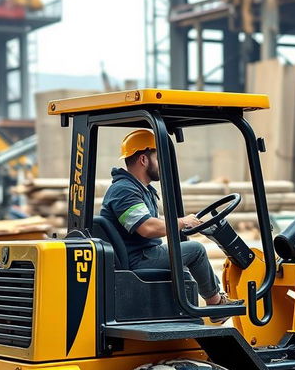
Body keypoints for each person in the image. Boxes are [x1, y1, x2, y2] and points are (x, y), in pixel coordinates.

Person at [100, 129, 242, 311]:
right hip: (138, 259)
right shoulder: (124, 190)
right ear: (143, 160)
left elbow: (152, 220)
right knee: (196, 250)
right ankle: (216, 304)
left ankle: (194, 308)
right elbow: (147, 228)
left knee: (185, 267)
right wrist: (182, 222)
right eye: (158, 159)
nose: (162, 165)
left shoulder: (140, 189)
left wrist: (185, 222)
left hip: (143, 254)